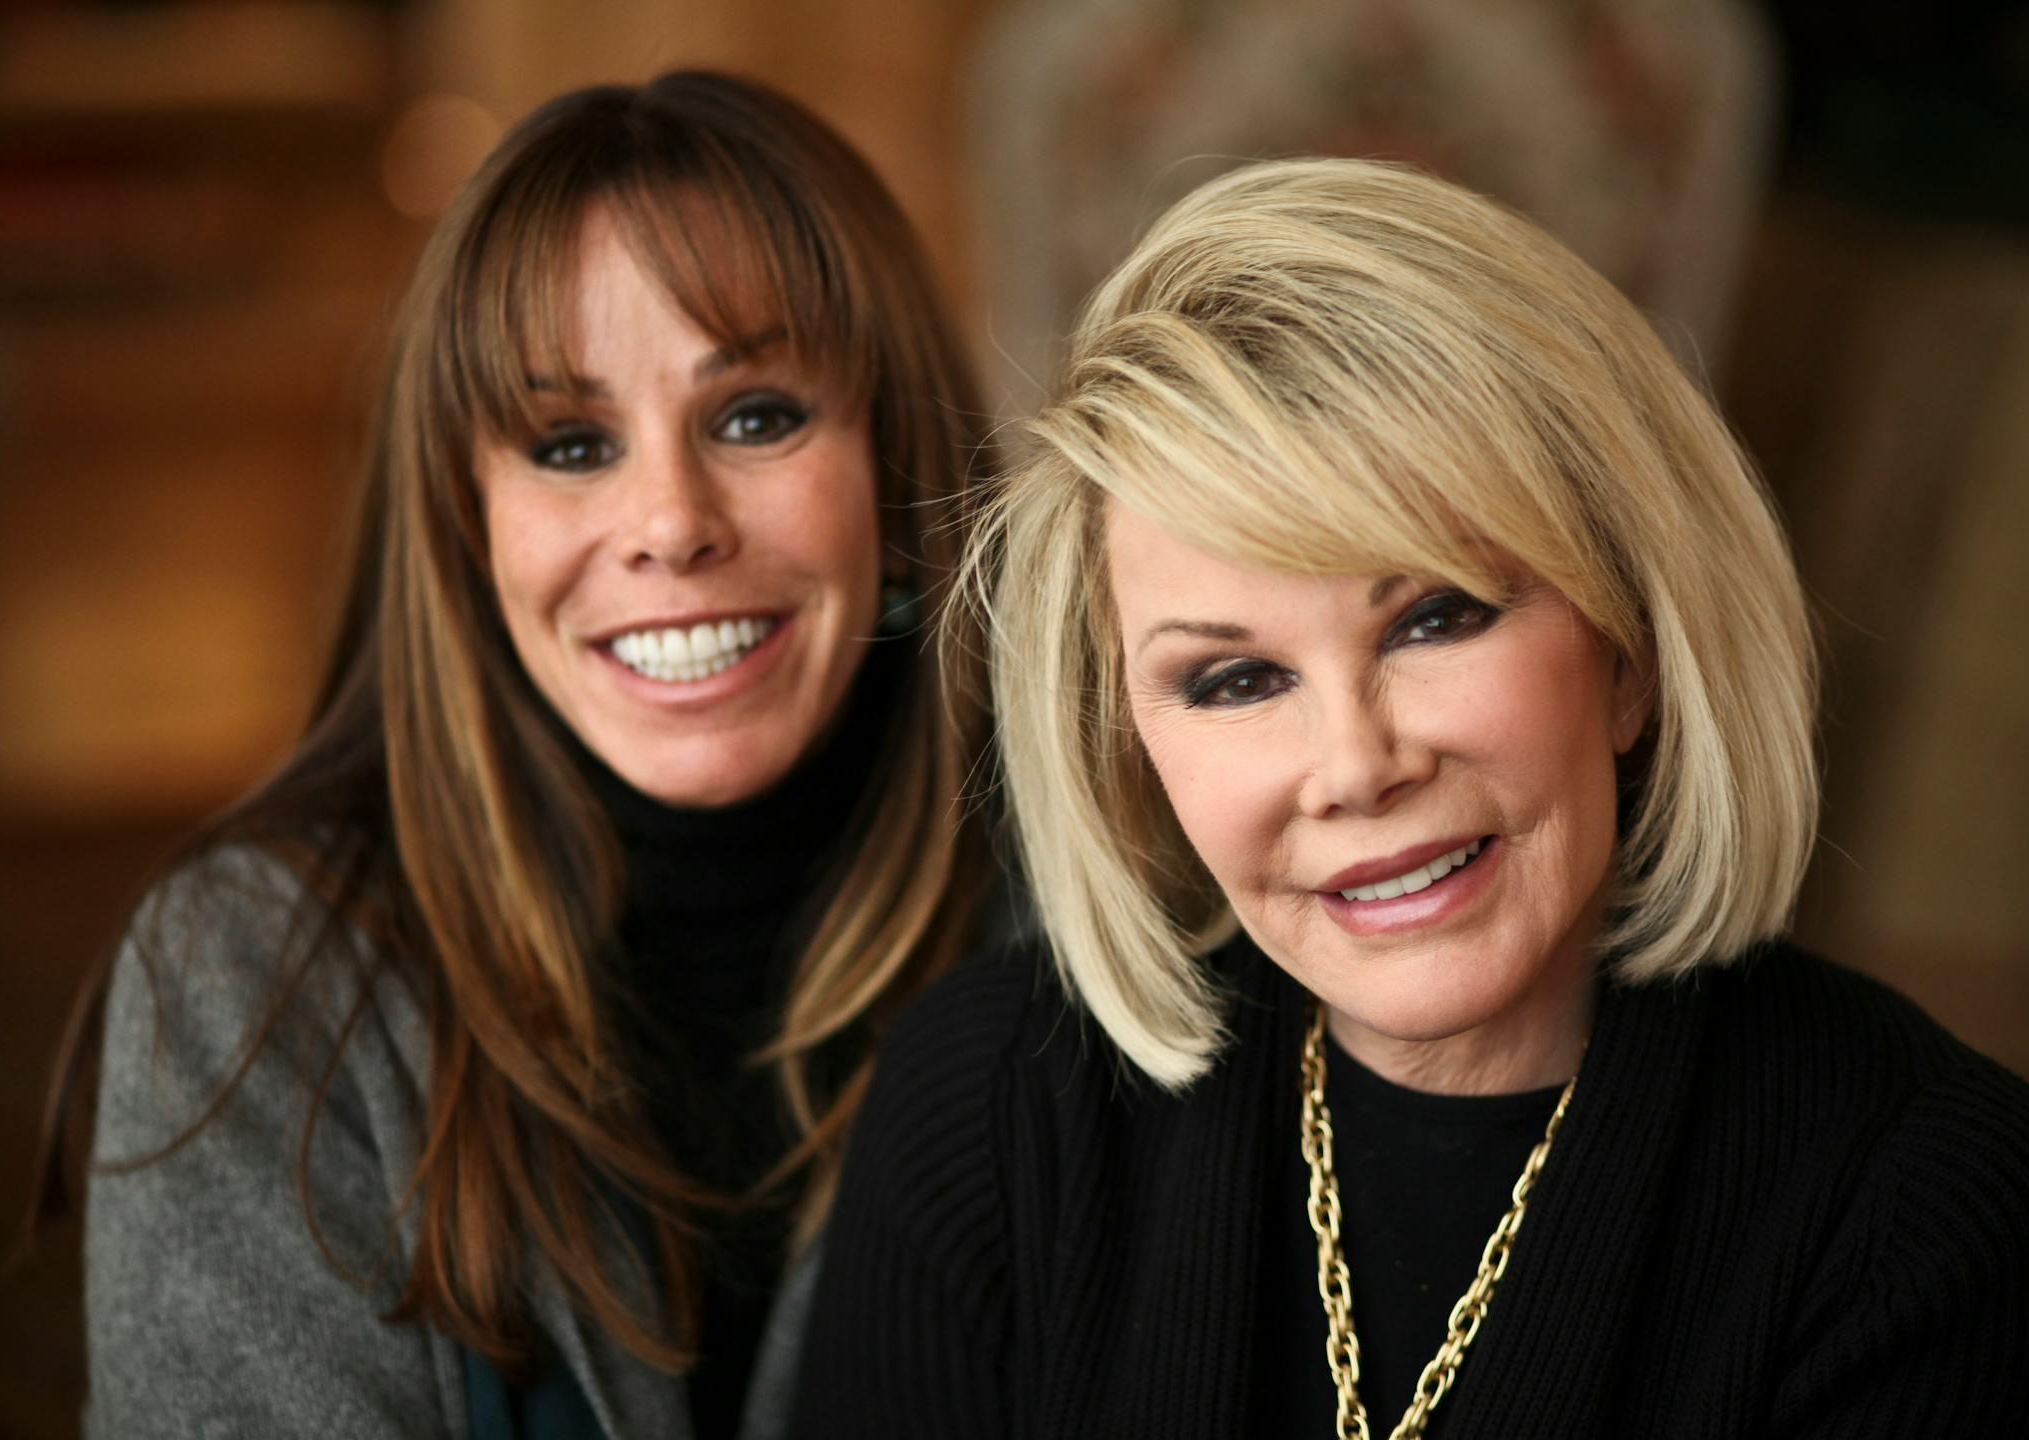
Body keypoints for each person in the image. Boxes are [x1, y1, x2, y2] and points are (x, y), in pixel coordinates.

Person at [794, 158, 2029, 1437]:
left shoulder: (1933, 1212)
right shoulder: (988, 1109)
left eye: (1436, 618)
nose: (1356, 765)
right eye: (1234, 680)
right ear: (1132, 747)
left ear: (1633, 654)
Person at [44, 72, 995, 1440]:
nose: (670, 522)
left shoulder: (1086, 934)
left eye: (756, 417)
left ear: (898, 477)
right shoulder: (251, 983)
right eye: (571, 444)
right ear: (466, 528)